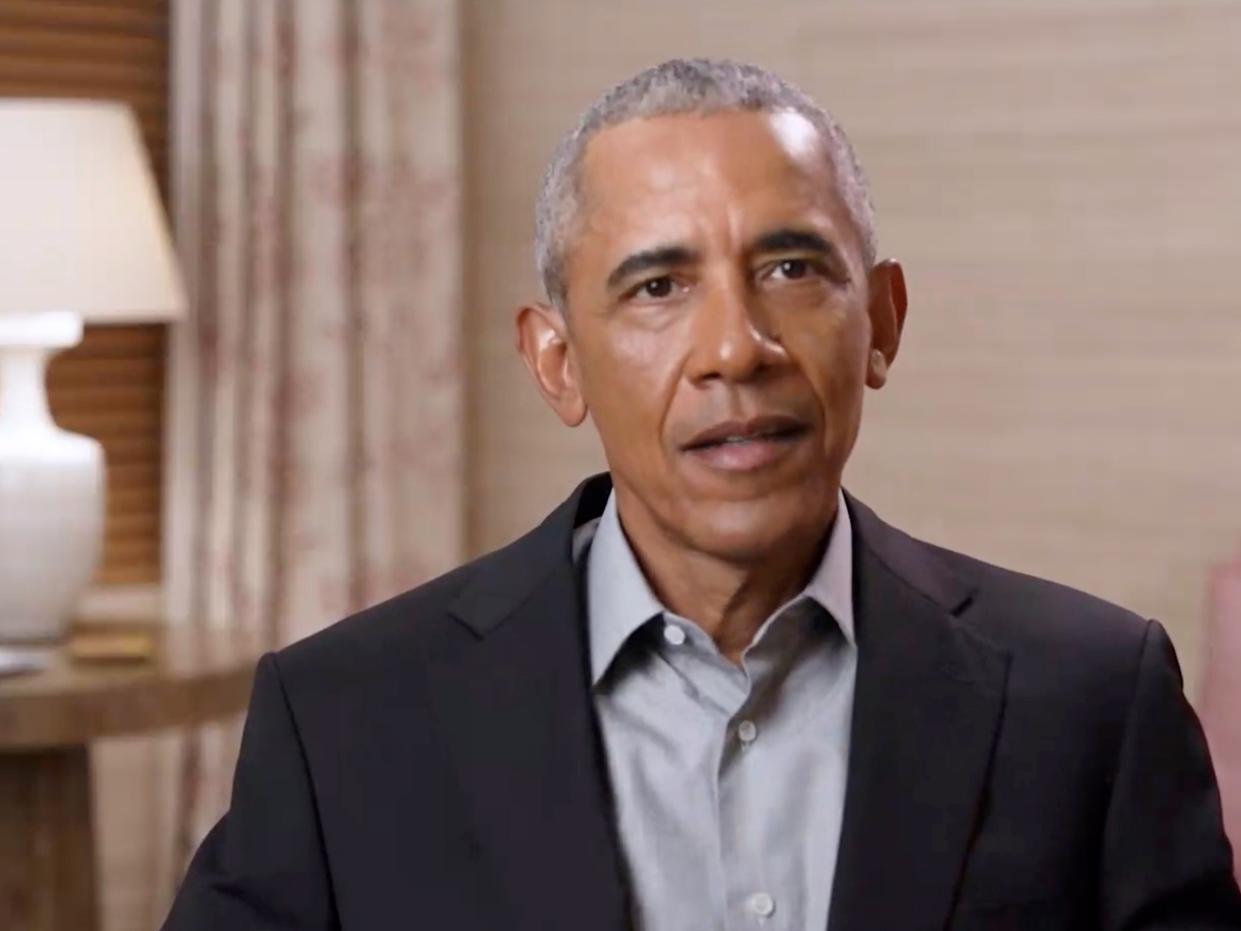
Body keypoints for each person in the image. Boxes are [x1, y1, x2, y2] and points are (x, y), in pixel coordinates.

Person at [162, 58, 1241, 930]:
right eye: (657, 286)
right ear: (556, 363)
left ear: (882, 322)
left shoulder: (1092, 698)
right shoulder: (347, 720)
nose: (736, 347)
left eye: (790, 269)